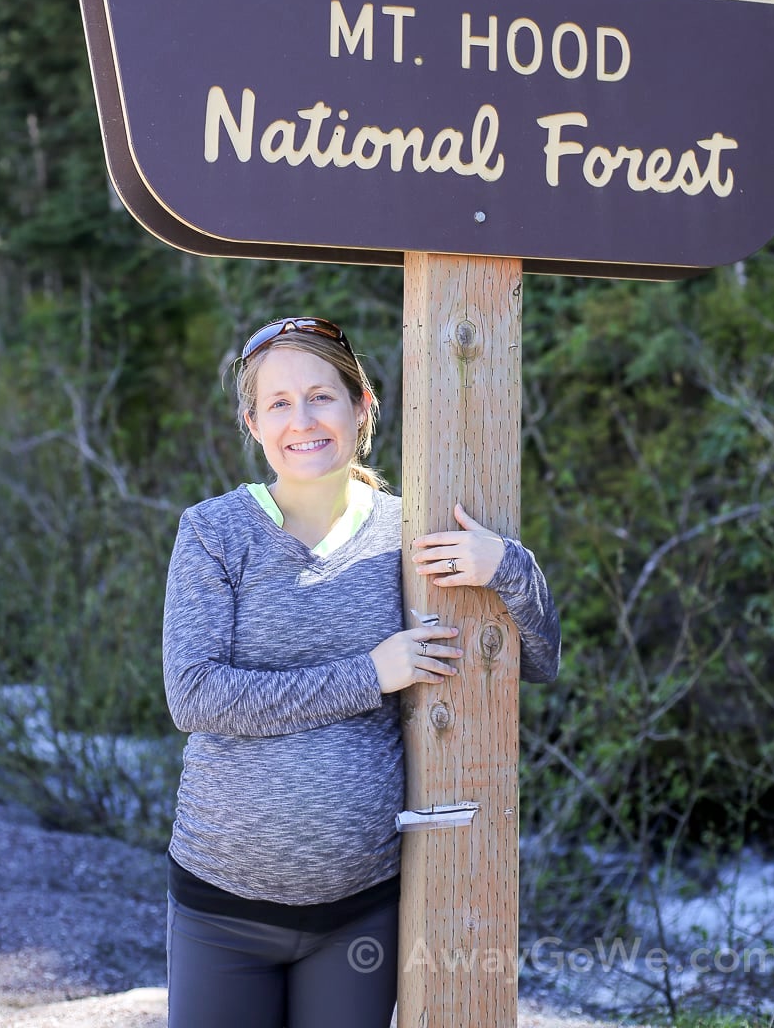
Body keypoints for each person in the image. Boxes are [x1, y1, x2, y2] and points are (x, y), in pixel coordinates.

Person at [163, 315, 561, 1028]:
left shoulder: (410, 535)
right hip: (220, 903)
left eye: (322, 396)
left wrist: (508, 569)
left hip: (361, 914)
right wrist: (370, 673)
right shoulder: (213, 532)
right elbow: (194, 695)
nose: (303, 419)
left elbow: (537, 661)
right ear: (253, 423)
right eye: (279, 403)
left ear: (362, 407)